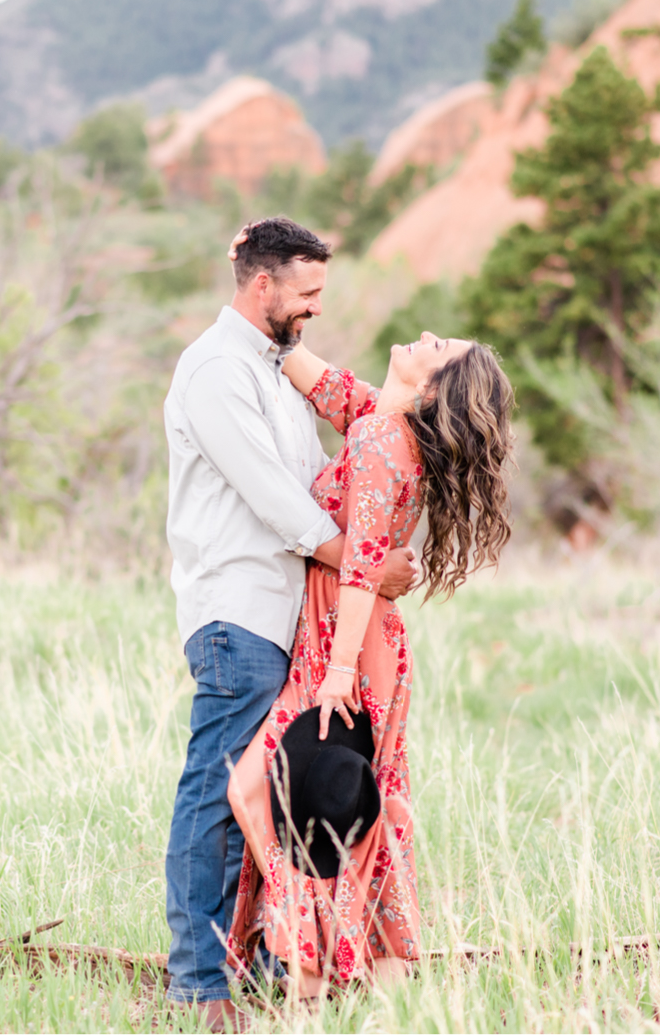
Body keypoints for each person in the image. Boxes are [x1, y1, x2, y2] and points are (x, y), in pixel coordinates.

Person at [222, 266, 515, 999]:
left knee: (275, 787)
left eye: (435, 345)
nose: (421, 335)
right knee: (352, 803)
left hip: (347, 640)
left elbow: (357, 571)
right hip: (358, 639)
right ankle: (374, 974)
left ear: (435, 387)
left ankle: (318, 971)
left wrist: (337, 672)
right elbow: (302, 367)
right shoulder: (379, 420)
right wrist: (254, 291)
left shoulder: (385, 436)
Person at [161, 217, 418, 1029]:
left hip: (285, 621)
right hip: (239, 615)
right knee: (218, 791)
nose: (313, 309)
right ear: (262, 286)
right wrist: (365, 563)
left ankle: (265, 965)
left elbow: (361, 442)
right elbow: (279, 502)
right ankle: (199, 983)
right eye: (305, 294)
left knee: (271, 799)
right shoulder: (213, 372)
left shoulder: (271, 372)